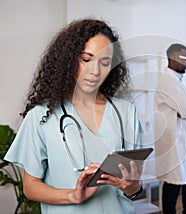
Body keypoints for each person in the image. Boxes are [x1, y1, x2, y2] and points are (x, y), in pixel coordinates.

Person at [4, 18, 145, 214]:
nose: (94, 71)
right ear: (68, 59)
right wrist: (73, 196)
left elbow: (135, 188)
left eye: (104, 63)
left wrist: (130, 187)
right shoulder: (41, 117)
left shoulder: (127, 113)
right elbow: (30, 187)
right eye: (86, 59)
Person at [154, 43, 186, 214]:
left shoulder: (177, 81)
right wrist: (185, 111)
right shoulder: (167, 80)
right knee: (173, 183)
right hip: (174, 142)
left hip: (184, 141)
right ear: (172, 58)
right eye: (184, 58)